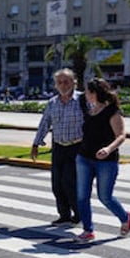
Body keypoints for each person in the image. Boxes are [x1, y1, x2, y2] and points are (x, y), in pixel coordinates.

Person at [74, 77, 130, 242]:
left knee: (105, 196)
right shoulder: (89, 110)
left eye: (87, 91)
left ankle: (125, 217)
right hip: (84, 157)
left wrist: (108, 149)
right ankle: (88, 230)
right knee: (81, 196)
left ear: (94, 93)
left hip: (106, 161)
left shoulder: (112, 111)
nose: (85, 94)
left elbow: (121, 135)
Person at [31, 68, 84, 225]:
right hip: (59, 147)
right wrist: (36, 143)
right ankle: (64, 214)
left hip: (77, 147)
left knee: (69, 181)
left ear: (73, 82)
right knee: (57, 184)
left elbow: (93, 122)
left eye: (66, 81)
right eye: (59, 82)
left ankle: (79, 213)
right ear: (55, 85)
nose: (63, 85)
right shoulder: (52, 102)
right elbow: (45, 123)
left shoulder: (83, 100)